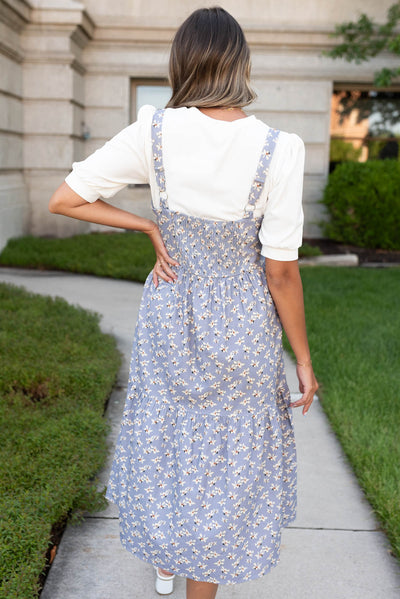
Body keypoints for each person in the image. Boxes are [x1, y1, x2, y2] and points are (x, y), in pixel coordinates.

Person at [49, 6, 318, 599]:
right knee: (228, 455)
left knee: (169, 435)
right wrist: (302, 356)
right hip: (243, 319)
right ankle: (197, 571)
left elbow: (65, 200)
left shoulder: (153, 131)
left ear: (181, 63)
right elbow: (280, 274)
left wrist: (148, 228)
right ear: (240, 64)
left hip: (172, 310)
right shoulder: (280, 148)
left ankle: (167, 551)